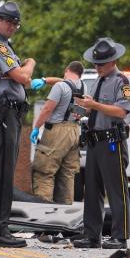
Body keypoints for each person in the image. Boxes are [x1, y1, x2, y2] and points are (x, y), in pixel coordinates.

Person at [0, 1, 39, 248]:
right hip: (3, 114)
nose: (12, 26)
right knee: (2, 174)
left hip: (4, 114)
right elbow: (23, 78)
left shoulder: (1, 48)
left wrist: (20, 69)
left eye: (15, 23)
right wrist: (30, 62)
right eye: (8, 22)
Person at [71, 38, 130, 251]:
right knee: (92, 190)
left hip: (112, 143)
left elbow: (121, 111)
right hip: (95, 141)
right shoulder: (97, 81)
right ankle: (91, 235)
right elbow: (94, 110)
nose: (97, 67)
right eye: (95, 63)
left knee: (116, 190)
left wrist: (94, 104)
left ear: (113, 60)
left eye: (101, 64)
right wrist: (80, 110)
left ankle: (120, 236)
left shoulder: (123, 82)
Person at [31, 61, 85, 204]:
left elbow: (47, 109)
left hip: (57, 131)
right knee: (67, 174)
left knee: (44, 171)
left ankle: (42, 212)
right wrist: (45, 80)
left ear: (67, 70)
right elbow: (84, 109)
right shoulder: (83, 87)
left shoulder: (60, 87)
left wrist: (37, 127)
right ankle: (64, 212)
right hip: (74, 131)